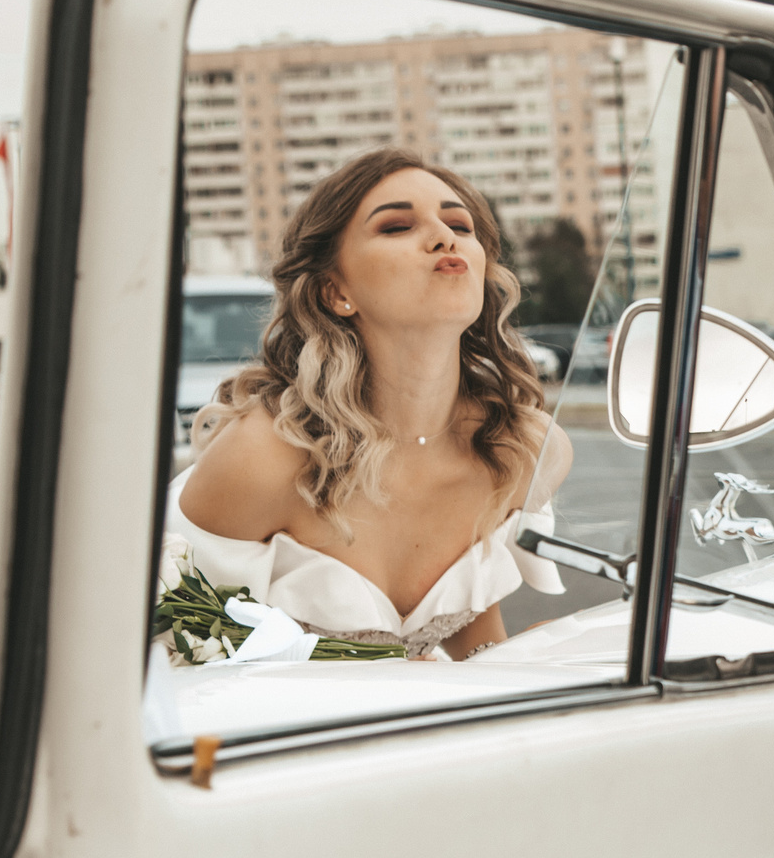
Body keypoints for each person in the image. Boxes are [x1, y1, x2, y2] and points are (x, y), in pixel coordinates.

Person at [172, 149, 570, 661]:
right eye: (396, 227)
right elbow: (182, 657)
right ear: (335, 291)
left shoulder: (520, 449)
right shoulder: (263, 458)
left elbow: (472, 630)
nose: (445, 237)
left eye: (459, 224)